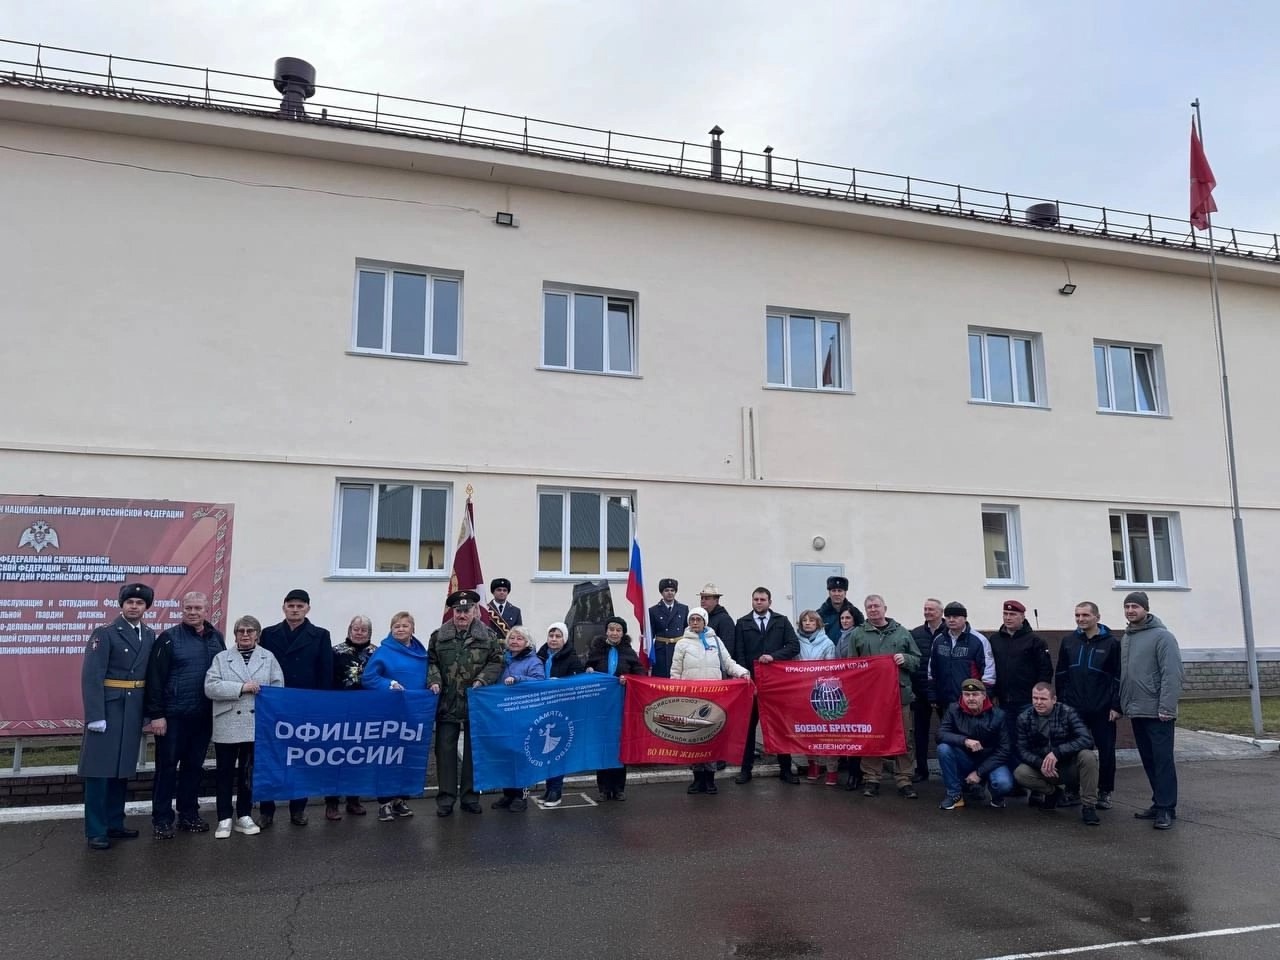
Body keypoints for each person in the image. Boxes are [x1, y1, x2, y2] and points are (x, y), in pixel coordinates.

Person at [79, 583, 158, 851]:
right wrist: (95, 715)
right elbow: (92, 676)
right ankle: (96, 830)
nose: (134, 606)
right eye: (130, 602)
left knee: (120, 771)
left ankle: (114, 822)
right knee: (99, 772)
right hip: (108, 709)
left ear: (147, 607)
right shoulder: (106, 633)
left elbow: (150, 676)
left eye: (139, 603)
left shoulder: (148, 635)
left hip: (133, 709)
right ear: (121, 605)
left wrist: (149, 711)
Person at [144, 591, 225, 839]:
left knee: (193, 768)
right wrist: (156, 714)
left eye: (197, 608)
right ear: (182, 610)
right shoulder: (168, 639)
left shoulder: (216, 638)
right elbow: (155, 679)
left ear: (206, 609)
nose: (192, 612)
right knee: (167, 768)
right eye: (188, 608)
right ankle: (162, 818)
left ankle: (189, 814)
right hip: (173, 717)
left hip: (202, 716)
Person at [203, 614, 284, 838]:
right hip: (228, 722)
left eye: (250, 631)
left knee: (248, 772)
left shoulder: (268, 658)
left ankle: (244, 814)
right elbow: (210, 687)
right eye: (241, 631)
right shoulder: (221, 658)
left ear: (257, 634)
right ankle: (224, 817)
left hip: (256, 723)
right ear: (235, 634)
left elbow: (278, 689)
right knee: (225, 772)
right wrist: (242, 687)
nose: (245, 635)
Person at [258, 588, 333, 826]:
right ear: (283, 607)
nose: (295, 609)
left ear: (307, 609)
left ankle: (298, 809)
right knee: (270, 757)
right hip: (274, 705)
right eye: (291, 605)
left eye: (300, 606)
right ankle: (266, 811)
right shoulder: (269, 634)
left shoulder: (320, 635)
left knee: (301, 758)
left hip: (304, 706)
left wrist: (320, 705)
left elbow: (325, 671)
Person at [427, 590, 504, 817]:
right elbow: (431, 662)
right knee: (445, 751)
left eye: (466, 610)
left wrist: (483, 679)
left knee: (474, 751)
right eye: (458, 611)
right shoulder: (439, 636)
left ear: (474, 611)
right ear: (452, 612)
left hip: (476, 702)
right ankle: (446, 799)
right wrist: (434, 680)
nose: (462, 614)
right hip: (447, 701)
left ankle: (470, 797)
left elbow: (497, 661)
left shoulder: (488, 636)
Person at [1119, 591, 1184, 831]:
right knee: (1148, 760)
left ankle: (1167, 808)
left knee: (1163, 760)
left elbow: (1172, 674)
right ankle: (1158, 803)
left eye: (1135, 606)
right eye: (1127, 607)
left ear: (1145, 609)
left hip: (1158, 712)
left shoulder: (1162, 637)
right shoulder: (1127, 638)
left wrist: (1166, 707)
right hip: (1137, 710)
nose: (1130, 611)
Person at [672, 608, 750, 795]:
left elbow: (728, 662)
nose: (695, 622)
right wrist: (675, 692)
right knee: (694, 737)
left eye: (699, 619)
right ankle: (697, 778)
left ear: (705, 621)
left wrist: (742, 672)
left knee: (711, 736)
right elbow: (675, 671)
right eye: (692, 619)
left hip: (714, 698)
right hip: (691, 698)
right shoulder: (682, 644)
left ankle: (710, 779)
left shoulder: (715, 641)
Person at [361, 612, 431, 822]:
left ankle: (401, 799)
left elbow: (429, 674)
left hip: (414, 713)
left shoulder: (421, 653)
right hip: (390, 714)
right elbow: (369, 677)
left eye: (404, 626)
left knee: (409, 756)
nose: (400, 629)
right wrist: (388, 684)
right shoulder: (384, 652)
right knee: (388, 757)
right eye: (396, 626)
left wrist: (432, 684)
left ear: (413, 629)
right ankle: (384, 802)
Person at [848, 595, 919, 799]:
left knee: (904, 737)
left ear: (884, 608)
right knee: (872, 737)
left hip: (899, 695)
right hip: (871, 698)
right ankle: (871, 778)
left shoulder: (902, 633)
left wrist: (905, 659)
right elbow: (852, 666)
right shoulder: (858, 634)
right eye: (869, 607)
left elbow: (917, 660)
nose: (873, 609)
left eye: (876, 606)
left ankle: (904, 779)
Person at [730, 587, 801, 784]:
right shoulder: (742, 623)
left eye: (762, 599)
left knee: (779, 726)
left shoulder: (782, 621)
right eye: (755, 599)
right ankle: (745, 770)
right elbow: (739, 652)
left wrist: (774, 657)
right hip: (752, 684)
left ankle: (786, 770)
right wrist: (746, 677)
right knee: (748, 729)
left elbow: (794, 646)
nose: (759, 602)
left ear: (770, 602)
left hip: (776, 684)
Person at [1055, 602, 1121, 809]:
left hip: (1102, 710)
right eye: (1077, 615)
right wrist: (1061, 704)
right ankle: (1072, 790)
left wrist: (1116, 706)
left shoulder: (1111, 643)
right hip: (1074, 709)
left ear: (1097, 617)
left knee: (1106, 751)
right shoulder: (1068, 641)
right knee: (1072, 750)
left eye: (1085, 615)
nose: (1081, 619)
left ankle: (1104, 791)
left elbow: (1118, 677)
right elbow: (1061, 674)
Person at [1013, 683, 1101, 826]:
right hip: (1043, 769)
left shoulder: (1068, 713)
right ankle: (1053, 793)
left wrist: (1058, 753)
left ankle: (1089, 806)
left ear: (1054, 699)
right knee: (1020, 773)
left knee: (1088, 756)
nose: (1038, 702)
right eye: (1035, 698)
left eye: (1043, 699)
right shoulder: (1024, 718)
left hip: (1068, 766)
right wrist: (1040, 763)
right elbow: (1022, 750)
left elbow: (1086, 739)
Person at [988, 599, 1052, 793]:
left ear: (1022, 617)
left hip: (1027, 702)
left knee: (1031, 743)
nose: (1008, 618)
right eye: (1005, 614)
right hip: (1004, 702)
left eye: (1013, 615)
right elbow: (990, 669)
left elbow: (1045, 672)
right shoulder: (995, 640)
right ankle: (1016, 783)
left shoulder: (1035, 641)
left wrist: (1039, 700)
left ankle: (1036, 787)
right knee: (1009, 742)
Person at [585, 616, 643, 800]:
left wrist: (629, 679)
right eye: (611, 629)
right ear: (606, 631)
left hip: (621, 706)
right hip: (601, 707)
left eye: (618, 630)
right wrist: (588, 670)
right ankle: (603, 788)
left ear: (623, 633)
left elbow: (639, 673)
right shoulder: (597, 650)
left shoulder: (629, 652)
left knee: (619, 746)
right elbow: (586, 667)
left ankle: (618, 788)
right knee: (603, 746)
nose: (614, 633)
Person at [325, 615, 377, 820]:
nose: (359, 632)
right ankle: (331, 803)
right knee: (335, 758)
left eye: (363, 630)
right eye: (356, 629)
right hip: (339, 712)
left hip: (365, 713)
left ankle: (353, 800)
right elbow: (328, 679)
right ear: (349, 630)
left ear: (369, 633)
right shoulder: (335, 652)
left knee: (357, 757)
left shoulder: (377, 653)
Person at [492, 627, 547, 812]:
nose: (514, 641)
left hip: (523, 715)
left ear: (527, 643)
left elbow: (540, 682)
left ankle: (521, 795)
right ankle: (508, 793)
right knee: (506, 754)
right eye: (512, 638)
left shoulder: (533, 661)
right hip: (504, 714)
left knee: (521, 755)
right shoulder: (502, 660)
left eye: (519, 638)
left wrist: (518, 678)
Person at [936, 678, 1013, 810]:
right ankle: (954, 795)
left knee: (1003, 784)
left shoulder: (998, 715)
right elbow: (940, 734)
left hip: (991, 761)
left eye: (975, 694)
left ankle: (997, 797)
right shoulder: (953, 709)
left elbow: (1005, 750)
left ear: (984, 696)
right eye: (967, 694)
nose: (970, 698)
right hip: (965, 759)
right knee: (943, 748)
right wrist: (965, 741)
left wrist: (979, 773)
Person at [538, 621, 583, 806]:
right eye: (551, 636)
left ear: (564, 639)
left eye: (558, 636)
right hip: (542, 709)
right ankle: (548, 789)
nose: (554, 639)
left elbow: (578, 682)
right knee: (545, 752)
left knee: (557, 751)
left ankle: (556, 790)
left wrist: (560, 683)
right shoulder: (539, 656)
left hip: (561, 711)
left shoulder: (572, 658)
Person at [794, 609, 838, 785]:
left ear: (818, 624)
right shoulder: (795, 641)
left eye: (811, 620)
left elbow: (831, 668)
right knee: (808, 731)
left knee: (827, 732)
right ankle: (813, 764)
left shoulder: (827, 643)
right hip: (801, 691)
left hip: (822, 692)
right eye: (804, 620)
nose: (807, 623)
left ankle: (832, 769)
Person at [928, 602, 988, 717]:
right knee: (947, 733)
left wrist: (984, 696)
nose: (951, 620)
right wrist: (933, 694)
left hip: (970, 700)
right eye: (948, 617)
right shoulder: (938, 640)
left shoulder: (979, 640)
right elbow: (932, 670)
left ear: (964, 618)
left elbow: (988, 671)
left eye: (955, 617)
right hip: (944, 700)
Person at [909, 598, 945, 782]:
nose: (927, 612)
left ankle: (948, 769)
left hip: (943, 692)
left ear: (941, 612)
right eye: (925, 609)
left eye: (931, 609)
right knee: (920, 733)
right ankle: (921, 769)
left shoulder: (950, 632)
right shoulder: (915, 634)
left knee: (947, 733)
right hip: (920, 691)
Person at [648, 578, 688, 679]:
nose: (670, 593)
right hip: (661, 649)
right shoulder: (653, 610)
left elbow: (687, 630)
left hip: (678, 647)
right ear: (661, 592)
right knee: (662, 678)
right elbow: (650, 633)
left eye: (672, 590)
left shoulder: (683, 609)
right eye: (666, 590)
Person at [818, 575, 864, 643]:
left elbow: (862, 635)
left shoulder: (856, 614)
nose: (837, 594)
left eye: (840, 591)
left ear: (845, 593)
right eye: (833, 591)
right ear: (829, 593)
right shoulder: (820, 614)